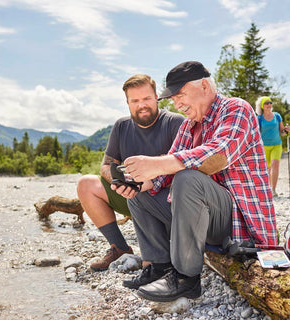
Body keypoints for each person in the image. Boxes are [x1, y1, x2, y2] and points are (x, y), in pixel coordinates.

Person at [117, 61, 277, 302]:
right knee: (140, 195)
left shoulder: (236, 109)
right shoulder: (188, 126)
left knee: (188, 177)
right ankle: (161, 266)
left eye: (180, 95)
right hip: (204, 216)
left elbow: (218, 155)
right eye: (173, 99)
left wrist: (157, 163)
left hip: (238, 222)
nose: (177, 104)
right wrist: (139, 182)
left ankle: (186, 278)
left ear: (204, 86)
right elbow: (163, 175)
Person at [76, 74, 184, 271]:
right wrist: (119, 182)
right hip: (130, 194)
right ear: (127, 103)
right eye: (135, 100)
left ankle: (164, 250)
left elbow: (186, 166)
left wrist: (148, 179)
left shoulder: (175, 122)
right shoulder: (121, 126)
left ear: (157, 98)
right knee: (86, 184)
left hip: (166, 201)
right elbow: (106, 165)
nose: (142, 105)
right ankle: (119, 248)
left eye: (146, 99)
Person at [255, 96, 290, 197]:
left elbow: (282, 132)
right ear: (262, 106)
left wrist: (286, 130)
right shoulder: (259, 118)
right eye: (266, 103)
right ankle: (266, 188)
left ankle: (273, 190)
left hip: (276, 145)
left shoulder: (277, 116)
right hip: (264, 146)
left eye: (270, 103)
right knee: (267, 169)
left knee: (275, 165)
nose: (269, 105)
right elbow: (256, 133)